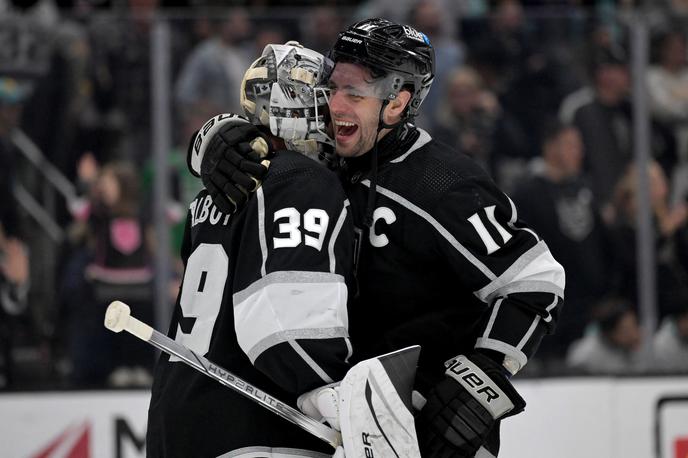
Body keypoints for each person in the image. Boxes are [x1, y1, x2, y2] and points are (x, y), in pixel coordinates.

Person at [194, 18, 565, 458]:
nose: (334, 105)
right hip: (355, 424)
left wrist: (481, 383)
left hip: (431, 430)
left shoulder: (442, 183)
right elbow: (265, 142)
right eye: (331, 88)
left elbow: (536, 282)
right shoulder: (329, 159)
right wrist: (213, 142)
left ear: (396, 104)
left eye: (355, 95)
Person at [146, 42, 355, 457]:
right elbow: (287, 329)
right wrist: (349, 403)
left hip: (175, 421)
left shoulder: (209, 194)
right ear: (299, 112)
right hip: (257, 430)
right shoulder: (300, 179)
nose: (338, 115)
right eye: (326, 101)